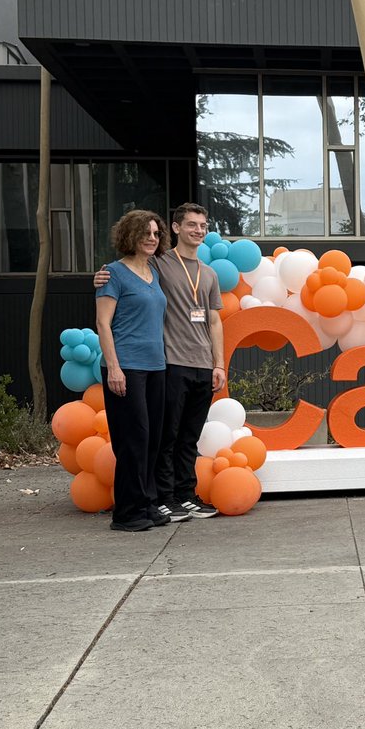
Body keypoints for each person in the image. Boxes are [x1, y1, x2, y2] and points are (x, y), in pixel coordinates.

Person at [95, 203, 225, 521]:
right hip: (157, 363)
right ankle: (151, 502)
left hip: (182, 364)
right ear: (177, 228)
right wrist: (99, 275)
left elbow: (215, 321)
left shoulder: (191, 273)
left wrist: (219, 363)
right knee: (153, 437)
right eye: (191, 224)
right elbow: (117, 280)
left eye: (203, 225)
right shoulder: (155, 265)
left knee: (174, 437)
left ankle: (170, 498)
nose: (198, 230)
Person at [96, 210, 170, 532]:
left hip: (156, 366)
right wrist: (114, 368)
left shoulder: (153, 273)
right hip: (125, 366)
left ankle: (147, 504)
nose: (152, 238)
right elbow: (102, 323)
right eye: (145, 233)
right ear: (130, 236)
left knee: (152, 439)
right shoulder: (113, 274)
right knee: (132, 440)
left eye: (155, 233)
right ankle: (126, 512)